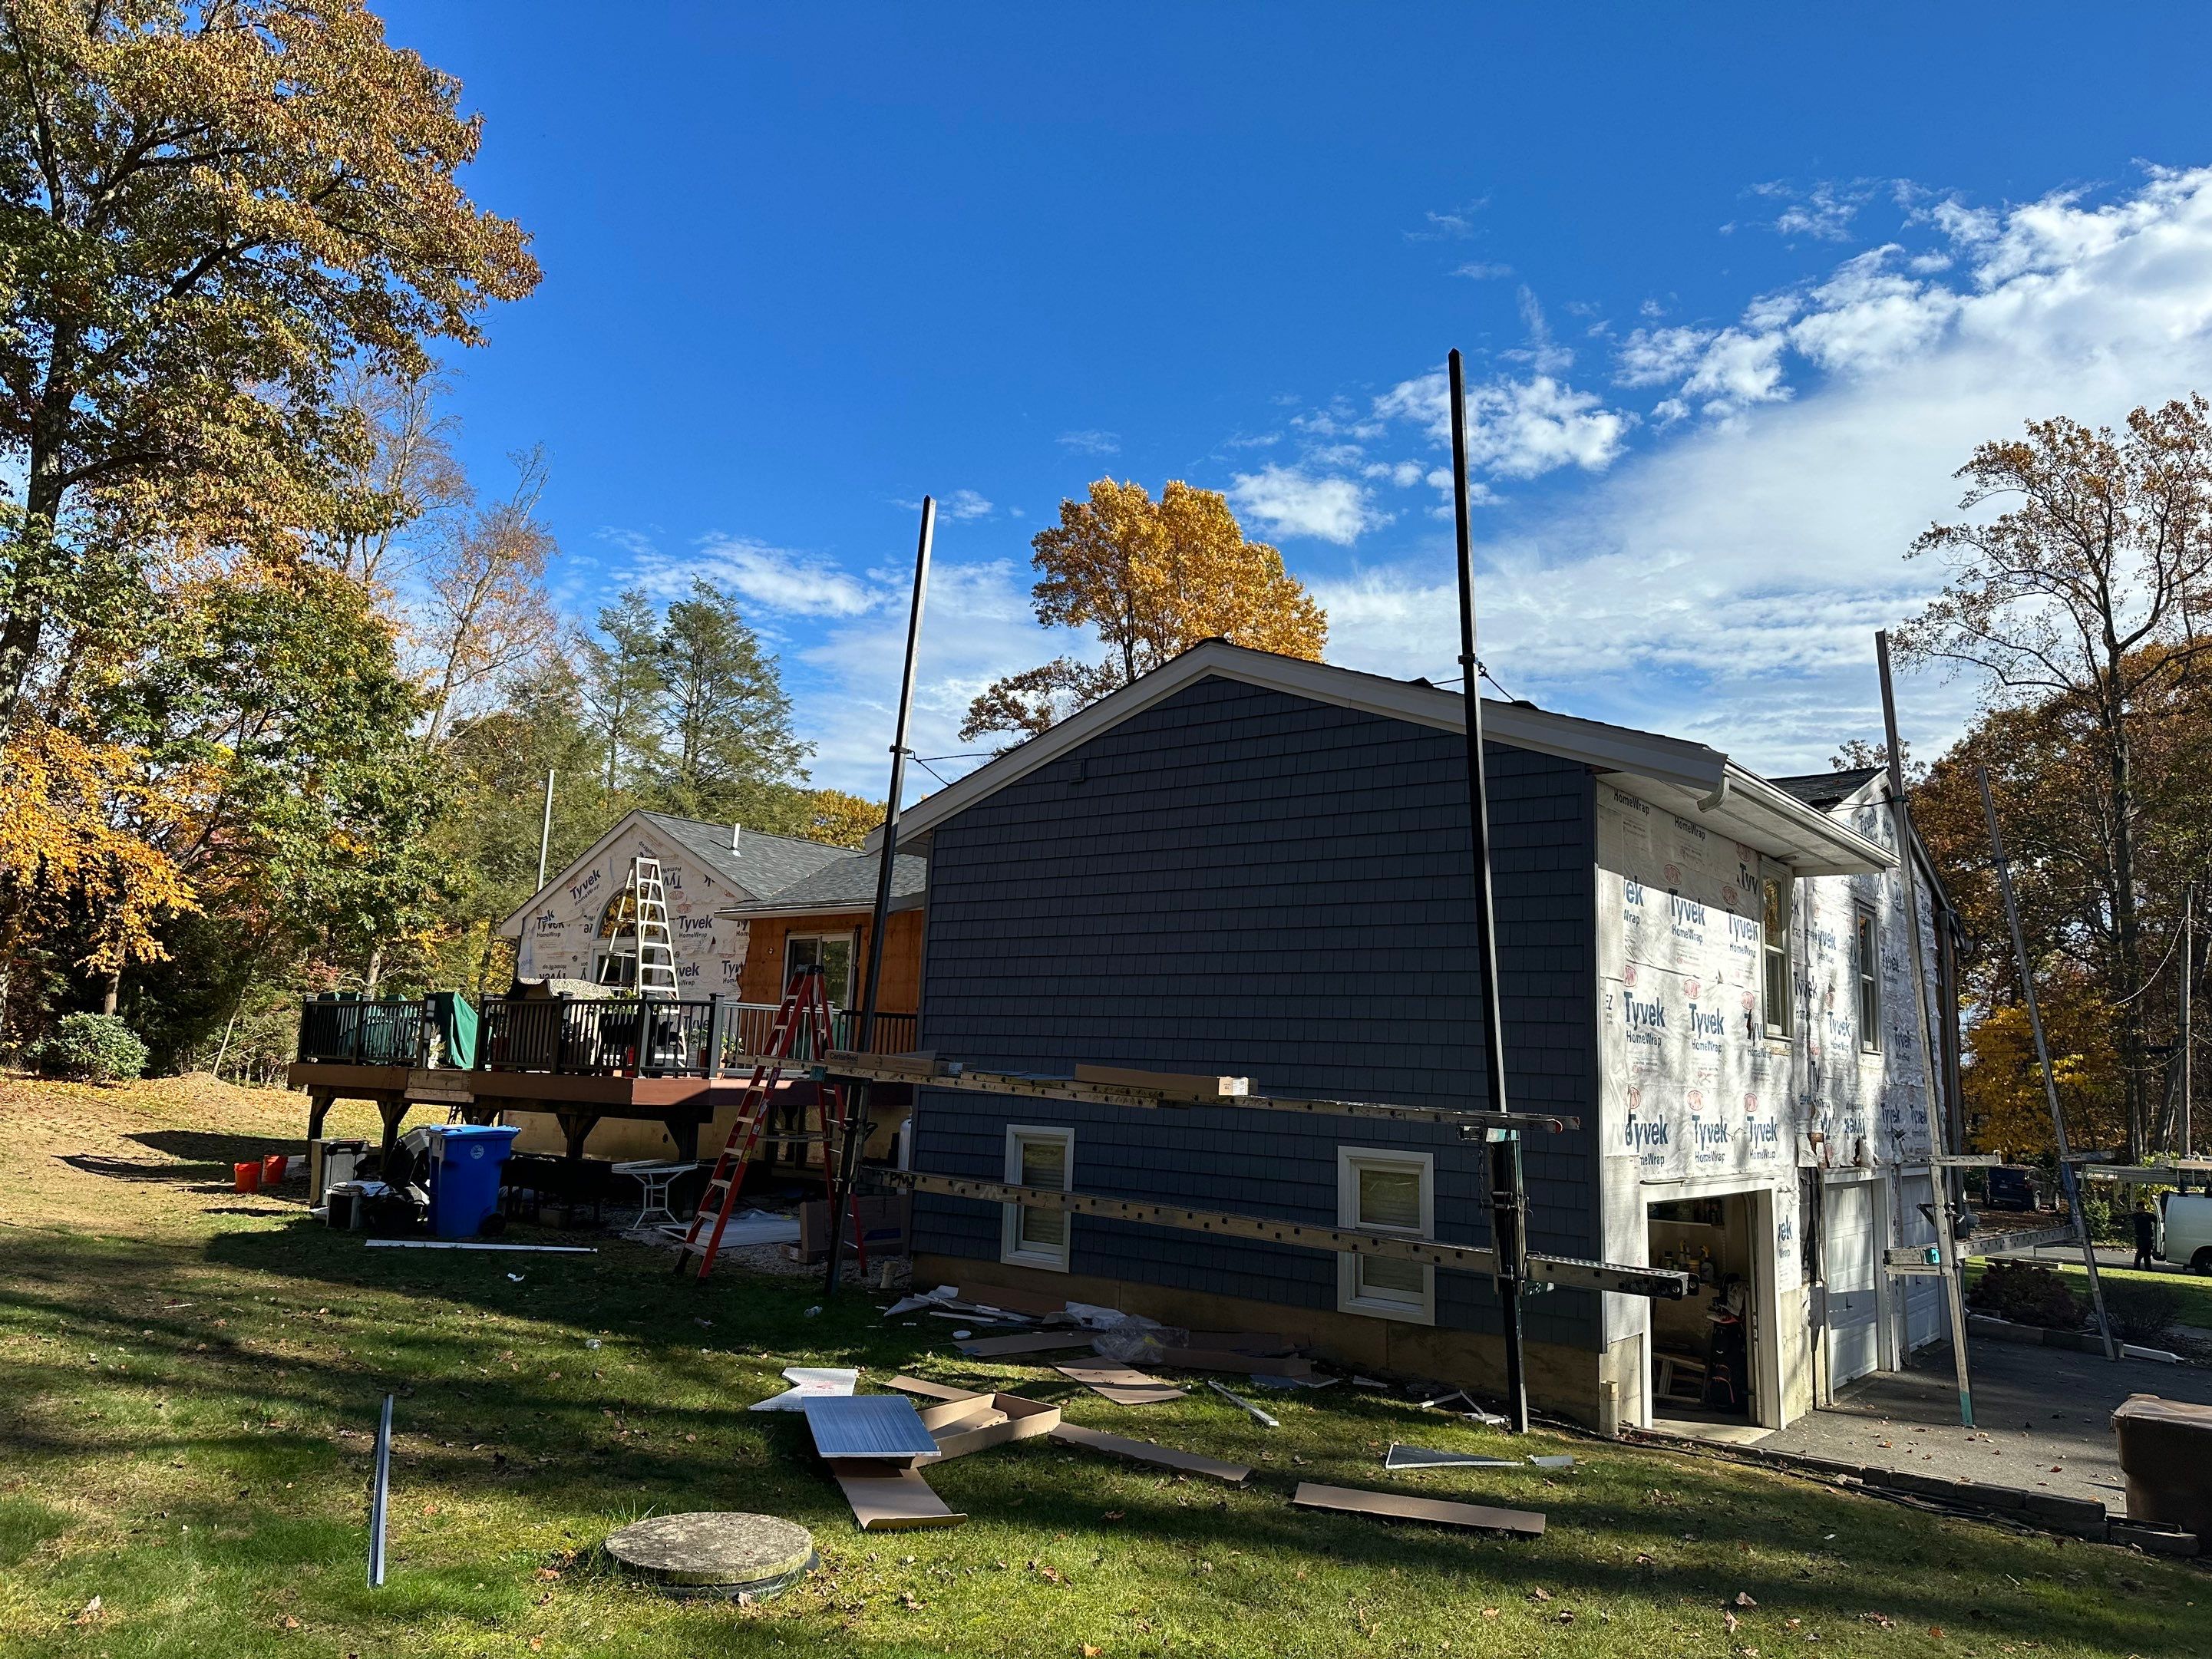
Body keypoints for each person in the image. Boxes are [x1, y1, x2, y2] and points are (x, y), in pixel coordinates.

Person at [2132, 1201, 2158, 1271]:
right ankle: (2136, 1266)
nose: (2137, 1209)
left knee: (2147, 1253)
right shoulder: (2136, 1216)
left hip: (2147, 1237)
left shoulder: (2147, 1215)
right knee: (2140, 1252)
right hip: (2140, 1237)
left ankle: (2148, 1267)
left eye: (2138, 1208)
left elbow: (2156, 1219)